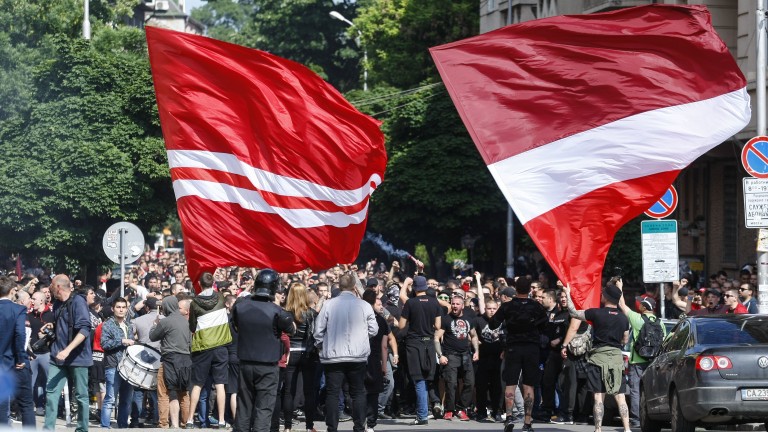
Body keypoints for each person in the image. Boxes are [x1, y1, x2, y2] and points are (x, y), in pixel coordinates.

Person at [232, 269, 295, 432]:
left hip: (246, 363)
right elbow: (291, 329)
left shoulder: (240, 307)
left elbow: (236, 325)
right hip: (267, 366)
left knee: (244, 406)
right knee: (264, 408)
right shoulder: (278, 312)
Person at [314, 272, 378, 432]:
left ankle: (332, 428)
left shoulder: (329, 305)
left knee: (333, 393)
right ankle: (359, 427)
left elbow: (318, 331)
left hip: (333, 356)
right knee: (358, 392)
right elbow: (374, 329)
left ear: (339, 286)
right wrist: (362, 338)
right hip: (357, 356)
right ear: (354, 287)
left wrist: (321, 345)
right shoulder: (364, 305)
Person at [563, 279, 630, 432]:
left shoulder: (596, 313)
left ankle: (598, 429)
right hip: (616, 359)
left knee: (598, 396)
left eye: (603, 294)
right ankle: (627, 429)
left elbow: (573, 313)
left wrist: (568, 294)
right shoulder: (623, 318)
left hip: (598, 358)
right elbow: (625, 340)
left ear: (606, 297)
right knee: (620, 396)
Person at [488, 277, 547, 432]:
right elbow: (545, 326)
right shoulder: (536, 306)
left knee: (511, 383)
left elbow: (492, 324)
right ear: (529, 290)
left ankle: (509, 417)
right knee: (529, 384)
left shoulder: (507, 306)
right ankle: (527, 422)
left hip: (513, 347)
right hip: (531, 348)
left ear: (516, 288)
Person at [43, 274, 93, 432]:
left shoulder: (78, 302)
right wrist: (52, 326)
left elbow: (85, 330)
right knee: (51, 393)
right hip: (57, 357)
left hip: (78, 357)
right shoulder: (57, 303)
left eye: (51, 286)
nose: (49, 289)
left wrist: (67, 350)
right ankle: (48, 429)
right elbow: (63, 325)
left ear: (58, 287)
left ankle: (82, 429)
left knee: (81, 396)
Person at [187, 272, 232, 429]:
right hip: (220, 346)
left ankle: (190, 420)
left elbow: (192, 326)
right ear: (213, 283)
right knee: (220, 385)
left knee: (197, 384)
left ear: (200, 284)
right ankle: (221, 420)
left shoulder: (194, 303)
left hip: (203, 346)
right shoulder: (221, 298)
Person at [616, 287, 666, 428]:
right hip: (653, 362)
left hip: (637, 361)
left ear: (644, 307)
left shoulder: (637, 319)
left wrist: (620, 287)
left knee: (635, 391)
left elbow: (622, 305)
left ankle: (637, 420)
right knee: (651, 391)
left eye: (641, 303)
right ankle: (652, 418)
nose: (638, 305)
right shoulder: (660, 323)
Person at [398, 276, 442, 426]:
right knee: (426, 378)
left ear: (414, 288)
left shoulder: (410, 303)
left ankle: (422, 415)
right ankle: (424, 411)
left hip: (414, 343)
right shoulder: (435, 302)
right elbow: (438, 325)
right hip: (429, 343)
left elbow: (401, 325)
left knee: (418, 380)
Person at [280, 282, 320, 432]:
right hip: (307, 353)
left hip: (290, 353)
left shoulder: (285, 314)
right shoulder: (311, 313)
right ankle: (309, 426)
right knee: (309, 391)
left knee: (289, 391)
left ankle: (288, 427)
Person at [150, 295, 192, 428]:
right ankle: (185, 423)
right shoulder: (187, 322)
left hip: (169, 360)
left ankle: (164, 423)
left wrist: (155, 325)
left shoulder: (165, 322)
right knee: (184, 393)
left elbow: (152, 337)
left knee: (164, 392)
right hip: (186, 360)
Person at [434, 294, 478, 421]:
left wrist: (476, 351)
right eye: (453, 303)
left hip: (466, 355)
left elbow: (474, 336)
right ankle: (449, 410)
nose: (454, 306)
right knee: (451, 383)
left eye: (457, 304)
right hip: (450, 355)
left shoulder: (469, 319)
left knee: (470, 382)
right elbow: (436, 337)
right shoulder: (446, 319)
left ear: (462, 306)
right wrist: (440, 355)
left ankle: (461, 408)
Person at [0, 277, 34, 427]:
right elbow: (20, 334)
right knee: (26, 404)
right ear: (11, 291)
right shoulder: (18, 309)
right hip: (15, 362)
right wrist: (21, 358)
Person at [100, 297, 136, 428]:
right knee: (110, 398)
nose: (121, 310)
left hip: (128, 367)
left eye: (123, 307)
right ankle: (105, 426)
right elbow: (104, 344)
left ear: (127, 309)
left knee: (126, 400)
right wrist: (121, 341)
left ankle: (123, 426)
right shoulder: (108, 324)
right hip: (113, 365)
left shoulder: (128, 325)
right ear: (113, 309)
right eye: (118, 307)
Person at [362, 289, 390, 432]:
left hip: (359, 357)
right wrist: (384, 365)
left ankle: (360, 421)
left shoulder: (358, 317)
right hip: (374, 358)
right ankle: (371, 424)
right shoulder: (381, 320)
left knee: (359, 391)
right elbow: (384, 346)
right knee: (373, 393)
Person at [132, 296, 161, 426]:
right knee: (156, 391)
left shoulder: (138, 320)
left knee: (139, 391)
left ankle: (137, 419)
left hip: (142, 357)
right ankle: (157, 419)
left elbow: (131, 336)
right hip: (159, 357)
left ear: (147, 307)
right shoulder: (164, 319)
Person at [474, 298, 504, 423]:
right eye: (489, 308)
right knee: (481, 387)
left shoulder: (502, 321)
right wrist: (475, 341)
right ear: (484, 309)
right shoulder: (478, 320)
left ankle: (497, 412)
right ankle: (481, 412)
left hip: (498, 358)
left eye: (494, 309)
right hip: (483, 358)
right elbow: (471, 334)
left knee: (497, 388)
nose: (491, 311)